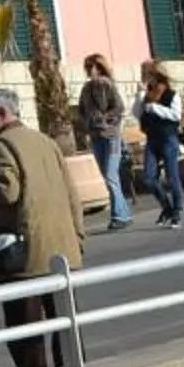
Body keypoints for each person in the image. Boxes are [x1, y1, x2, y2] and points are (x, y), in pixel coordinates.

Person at [0, 87, 83, 367]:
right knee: (65, 322)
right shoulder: (46, 142)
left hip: (25, 252)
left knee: (26, 329)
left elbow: (6, 191)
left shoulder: (3, 146)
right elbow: (72, 193)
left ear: (1, 112)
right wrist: (78, 237)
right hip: (61, 248)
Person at [76, 55, 132, 233]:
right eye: (88, 66)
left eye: (93, 66)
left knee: (110, 175)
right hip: (95, 137)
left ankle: (119, 215)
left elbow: (119, 108)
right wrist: (86, 127)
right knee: (107, 175)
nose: (90, 69)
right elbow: (81, 111)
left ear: (100, 67)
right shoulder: (86, 88)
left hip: (111, 136)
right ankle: (123, 213)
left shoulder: (106, 84)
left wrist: (105, 120)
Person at [135, 66, 184, 230]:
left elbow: (176, 115)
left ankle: (176, 211)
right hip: (152, 139)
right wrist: (139, 96)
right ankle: (167, 208)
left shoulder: (171, 94)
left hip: (168, 138)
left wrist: (155, 108)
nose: (145, 78)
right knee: (149, 178)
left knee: (172, 177)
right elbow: (136, 114)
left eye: (147, 75)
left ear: (156, 76)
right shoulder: (146, 95)